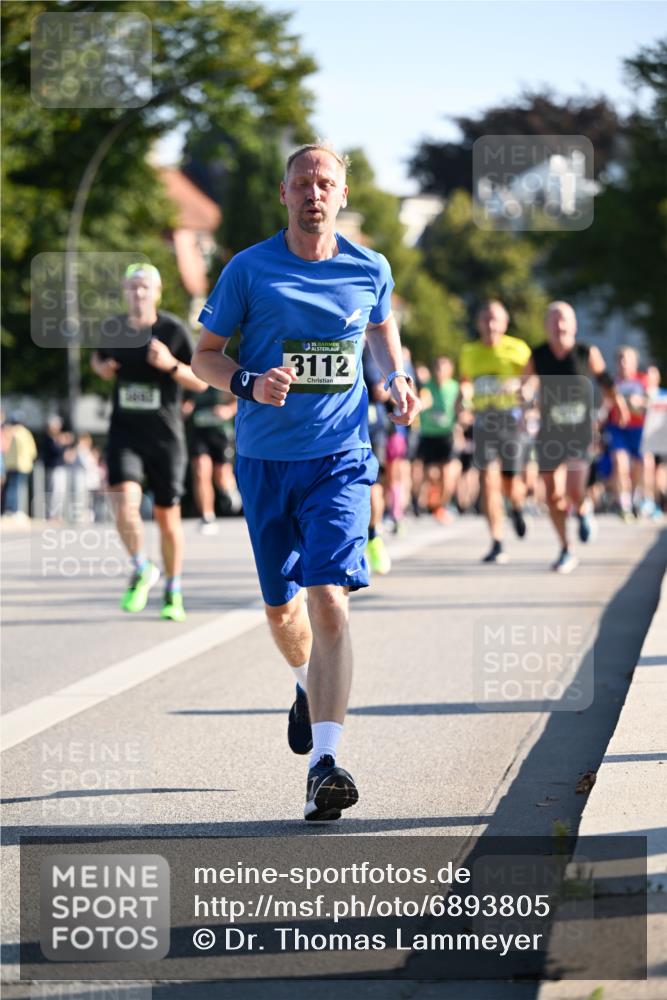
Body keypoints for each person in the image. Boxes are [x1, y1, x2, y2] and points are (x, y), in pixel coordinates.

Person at [192, 142, 420, 822]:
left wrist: (395, 377)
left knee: (328, 598)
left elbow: (381, 332)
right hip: (265, 460)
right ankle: (303, 684)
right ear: (285, 195)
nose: (313, 192)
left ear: (342, 195)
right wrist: (247, 383)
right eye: (301, 183)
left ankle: (324, 763)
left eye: (325, 182)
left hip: (342, 456)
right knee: (281, 608)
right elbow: (204, 356)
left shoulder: (368, 268)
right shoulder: (248, 270)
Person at [91, 263, 207, 621]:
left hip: (165, 438)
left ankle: (173, 588)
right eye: (131, 287)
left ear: (157, 292)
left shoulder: (173, 330)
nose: (137, 293)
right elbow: (97, 358)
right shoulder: (113, 328)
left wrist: (171, 365)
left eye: (144, 287)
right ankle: (142, 567)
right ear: (125, 293)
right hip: (125, 432)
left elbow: (201, 381)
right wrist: (103, 369)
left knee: (167, 518)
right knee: (123, 503)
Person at [525, 301, 624, 573]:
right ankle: (565, 549)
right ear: (546, 326)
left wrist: (617, 406)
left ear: (574, 325)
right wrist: (525, 404)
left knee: (572, 489)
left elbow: (605, 381)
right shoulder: (538, 354)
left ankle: (583, 508)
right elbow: (526, 384)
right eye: (554, 320)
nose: (559, 325)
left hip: (579, 431)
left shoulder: (586, 352)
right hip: (548, 431)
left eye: (564, 320)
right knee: (552, 495)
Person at [459, 300, 532, 564]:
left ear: (504, 323)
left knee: (511, 483)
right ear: (478, 323)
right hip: (484, 422)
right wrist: (463, 400)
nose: (490, 325)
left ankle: (517, 506)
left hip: (510, 421)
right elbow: (466, 383)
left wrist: (520, 386)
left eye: (495, 320)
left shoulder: (518, 348)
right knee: (488, 482)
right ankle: (497, 541)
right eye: (485, 320)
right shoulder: (469, 351)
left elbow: (532, 379)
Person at [184, 385, 241, 534]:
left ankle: (231, 491)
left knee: (221, 474)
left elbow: (239, 400)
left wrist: (228, 410)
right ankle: (207, 516)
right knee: (200, 472)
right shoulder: (193, 374)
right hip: (198, 432)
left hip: (221, 432)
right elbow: (186, 401)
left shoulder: (221, 370)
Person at [415, 356, 461, 523]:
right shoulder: (427, 387)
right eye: (437, 368)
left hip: (446, 435)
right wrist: (421, 404)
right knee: (431, 474)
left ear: (450, 370)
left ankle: (442, 505)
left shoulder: (455, 387)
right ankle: (433, 504)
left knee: (447, 475)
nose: (440, 371)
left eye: (444, 367)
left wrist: (462, 421)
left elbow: (460, 407)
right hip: (429, 434)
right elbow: (424, 399)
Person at [607, 346, 650, 520]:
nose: (623, 363)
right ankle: (623, 503)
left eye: (627, 359)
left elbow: (651, 401)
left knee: (641, 466)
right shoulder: (612, 382)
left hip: (639, 429)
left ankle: (636, 497)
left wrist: (638, 401)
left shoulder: (642, 380)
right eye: (620, 359)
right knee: (620, 463)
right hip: (618, 428)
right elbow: (605, 404)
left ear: (635, 362)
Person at [3, 414, 37, 518]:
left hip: (10, 464)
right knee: (19, 488)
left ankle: (9, 510)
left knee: (11, 487)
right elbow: (33, 451)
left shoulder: (9, 432)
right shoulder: (24, 432)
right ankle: (16, 510)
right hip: (23, 464)